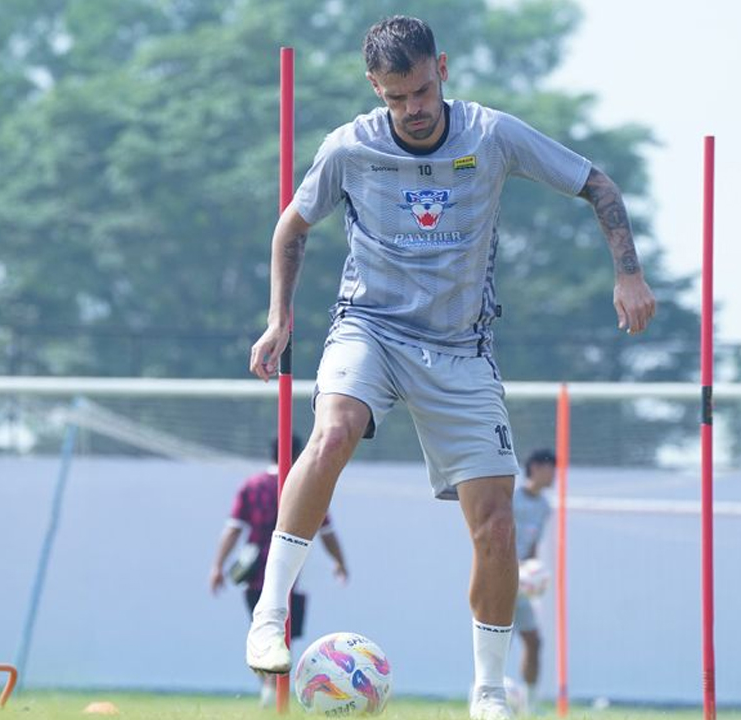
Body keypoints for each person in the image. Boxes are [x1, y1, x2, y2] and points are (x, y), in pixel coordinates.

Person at [244, 15, 655, 720]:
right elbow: (293, 225)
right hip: (368, 327)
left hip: (462, 348)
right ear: (376, 88)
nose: (413, 108)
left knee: (496, 524)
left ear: (444, 68)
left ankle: (489, 692)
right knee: (333, 432)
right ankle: (272, 609)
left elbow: (598, 184)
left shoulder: (491, 135)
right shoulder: (350, 146)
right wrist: (281, 317)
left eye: (423, 90)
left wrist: (628, 273)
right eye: (397, 97)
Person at [209, 435, 349, 707]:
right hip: (290, 575)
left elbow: (233, 528)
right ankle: (273, 690)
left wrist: (217, 566)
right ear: (299, 453)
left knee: (264, 629)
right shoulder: (307, 485)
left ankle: (269, 689)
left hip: (254, 576)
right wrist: (339, 561)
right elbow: (326, 530)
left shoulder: (252, 486)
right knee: (284, 634)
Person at [512, 449, 557, 712]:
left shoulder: (544, 506)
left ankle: (530, 704)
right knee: (497, 641)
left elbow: (531, 547)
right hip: (500, 578)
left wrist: (534, 572)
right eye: (552, 468)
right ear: (537, 467)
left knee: (533, 640)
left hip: (523, 585)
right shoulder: (513, 498)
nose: (556, 475)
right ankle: (484, 694)